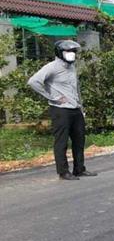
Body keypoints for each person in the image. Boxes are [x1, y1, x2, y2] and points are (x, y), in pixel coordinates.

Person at [27, 40, 97, 181]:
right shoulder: (52, 67)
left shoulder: (72, 68)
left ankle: (79, 169)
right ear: (60, 53)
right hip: (60, 110)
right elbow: (33, 82)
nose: (72, 55)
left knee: (79, 140)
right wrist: (53, 97)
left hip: (75, 108)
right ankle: (63, 172)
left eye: (73, 52)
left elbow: (76, 90)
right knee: (62, 141)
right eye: (68, 52)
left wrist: (81, 108)